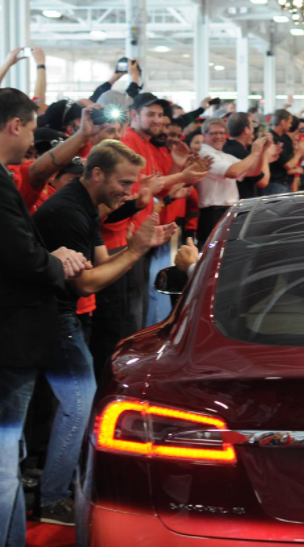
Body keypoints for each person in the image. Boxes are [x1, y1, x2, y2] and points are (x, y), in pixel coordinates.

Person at [33, 139, 176, 525]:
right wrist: (136, 251)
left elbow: (99, 263)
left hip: (62, 317)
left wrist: (138, 248)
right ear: (97, 173)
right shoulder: (68, 211)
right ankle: (51, 498)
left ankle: (53, 485)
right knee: (79, 405)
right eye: (124, 183)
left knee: (75, 404)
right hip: (52, 318)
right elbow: (85, 283)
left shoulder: (84, 205)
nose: (129, 193)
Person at [0, 87, 89, 547]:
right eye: (31, 129)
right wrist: (57, 262)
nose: (32, 140)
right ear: (16, 124)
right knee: (3, 467)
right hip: (10, 337)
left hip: (15, 335)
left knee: (8, 463)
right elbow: (19, 256)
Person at [197, 117, 273, 243]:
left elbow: (253, 172)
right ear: (204, 135)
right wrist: (254, 153)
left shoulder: (224, 156)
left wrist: (263, 151)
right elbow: (233, 172)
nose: (219, 137)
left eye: (221, 133)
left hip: (227, 210)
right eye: (214, 133)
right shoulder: (204, 154)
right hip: (213, 213)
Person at [223, 112, 273, 199]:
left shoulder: (224, 147)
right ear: (246, 130)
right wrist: (265, 154)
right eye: (252, 126)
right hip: (242, 201)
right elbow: (263, 181)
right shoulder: (242, 153)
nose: (254, 133)